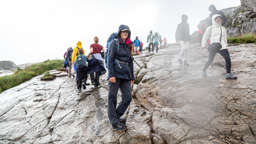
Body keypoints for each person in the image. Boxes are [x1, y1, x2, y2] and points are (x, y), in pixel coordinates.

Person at [107, 24, 134, 131]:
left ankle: (116, 117)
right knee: (112, 98)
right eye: (123, 32)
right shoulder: (114, 43)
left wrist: (132, 76)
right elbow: (110, 59)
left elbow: (130, 61)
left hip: (126, 75)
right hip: (116, 74)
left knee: (127, 98)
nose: (125, 33)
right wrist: (111, 75)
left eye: (127, 32)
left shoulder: (129, 45)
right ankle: (114, 123)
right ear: (119, 32)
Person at [201, 14, 237, 79]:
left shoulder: (223, 28)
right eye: (217, 19)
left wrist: (226, 46)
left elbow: (224, 38)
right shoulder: (210, 27)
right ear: (214, 20)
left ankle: (228, 74)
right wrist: (203, 44)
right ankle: (204, 71)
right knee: (210, 60)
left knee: (227, 58)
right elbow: (205, 36)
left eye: (220, 19)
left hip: (221, 46)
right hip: (213, 46)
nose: (219, 20)